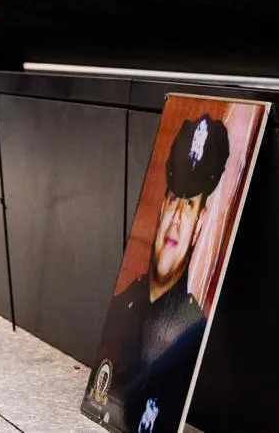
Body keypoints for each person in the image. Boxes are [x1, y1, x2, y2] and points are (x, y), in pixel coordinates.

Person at [84, 114, 230, 433]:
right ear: (162, 208)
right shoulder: (121, 308)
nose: (177, 218)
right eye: (174, 200)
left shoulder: (190, 330)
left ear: (199, 226)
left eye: (189, 206)